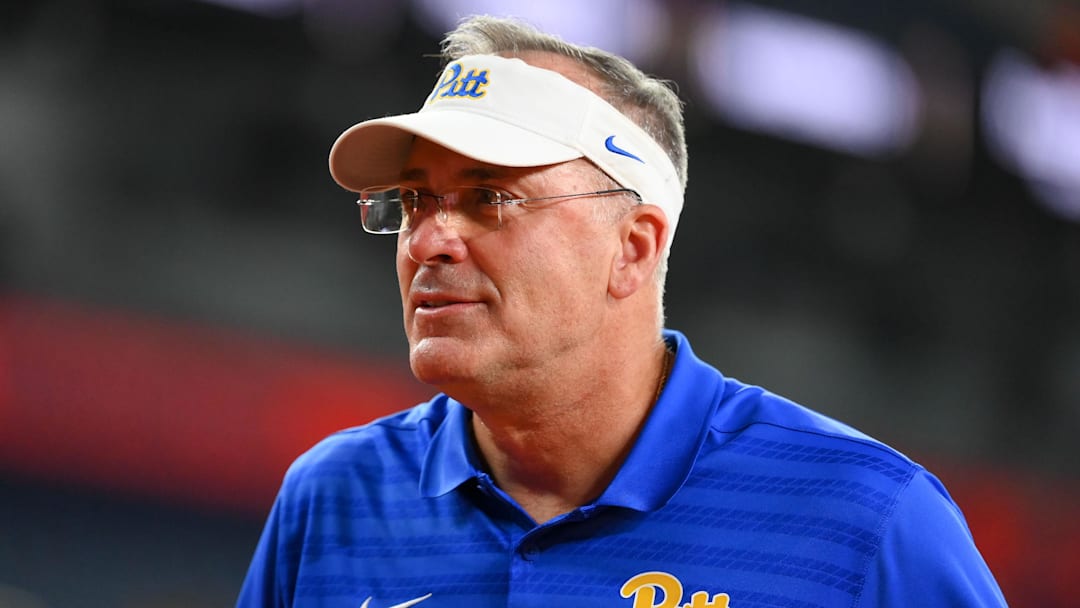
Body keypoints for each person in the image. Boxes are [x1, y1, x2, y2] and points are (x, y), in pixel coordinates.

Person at [237, 15, 1005, 608]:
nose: (429, 240)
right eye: (414, 201)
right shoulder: (332, 498)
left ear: (633, 248)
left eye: (487, 197)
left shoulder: (867, 521)